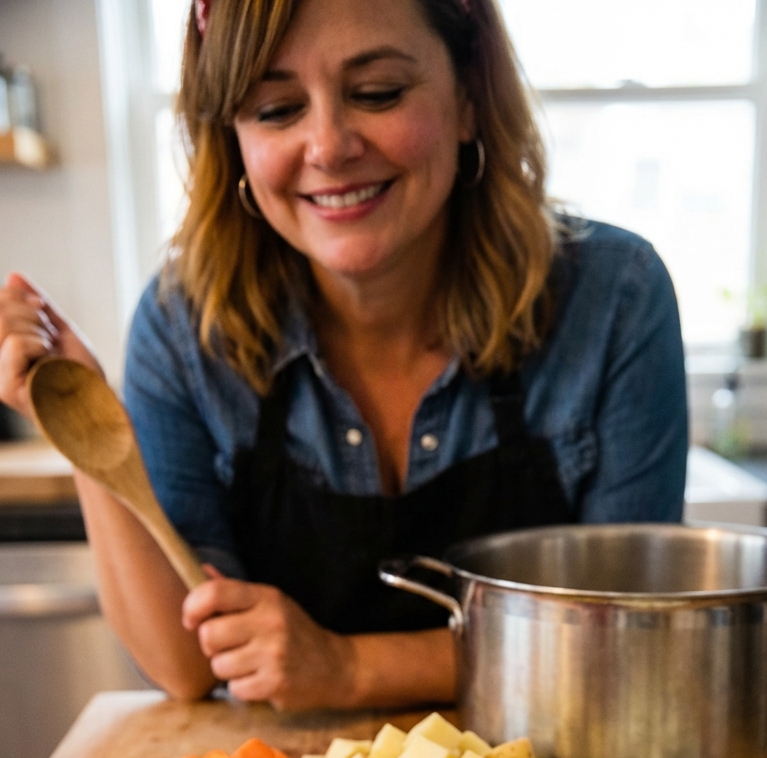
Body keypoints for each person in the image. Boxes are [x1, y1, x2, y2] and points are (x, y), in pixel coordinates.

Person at [0, 0, 688, 713]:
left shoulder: (615, 297)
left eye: (377, 94)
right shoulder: (183, 328)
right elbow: (186, 668)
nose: (327, 147)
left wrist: (350, 668)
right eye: (275, 109)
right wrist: (81, 430)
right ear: (231, 136)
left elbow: (629, 641)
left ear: (470, 95)